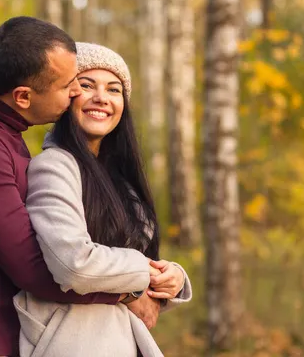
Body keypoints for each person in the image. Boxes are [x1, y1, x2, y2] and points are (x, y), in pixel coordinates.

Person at [0, 18, 162, 357]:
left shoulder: (0, 134)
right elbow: (35, 266)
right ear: (23, 97)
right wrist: (130, 291)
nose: (77, 92)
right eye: (69, 85)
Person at [14, 42, 192, 357]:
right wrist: (140, 278)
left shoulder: (121, 181)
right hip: (72, 342)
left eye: (113, 89)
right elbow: (73, 263)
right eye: (86, 85)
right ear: (66, 96)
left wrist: (172, 278)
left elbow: (127, 263)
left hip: (117, 339)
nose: (101, 98)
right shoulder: (54, 166)